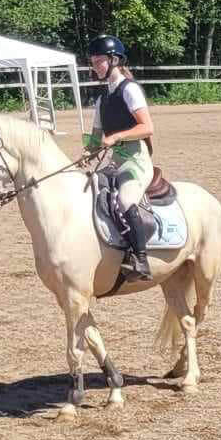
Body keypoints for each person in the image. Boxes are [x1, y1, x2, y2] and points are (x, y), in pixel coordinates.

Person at [86, 34, 155, 281]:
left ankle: (141, 259)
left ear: (114, 60)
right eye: (93, 62)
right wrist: (87, 153)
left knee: (126, 201)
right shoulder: (102, 100)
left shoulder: (130, 90)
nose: (95, 67)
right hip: (115, 162)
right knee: (90, 191)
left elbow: (147, 127)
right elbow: (95, 141)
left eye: (99, 61)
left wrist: (115, 138)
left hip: (136, 161)